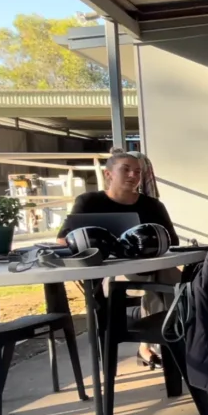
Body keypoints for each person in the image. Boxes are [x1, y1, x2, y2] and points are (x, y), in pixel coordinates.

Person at [58, 149, 180, 368]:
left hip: (148, 269)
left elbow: (172, 241)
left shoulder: (152, 206)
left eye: (137, 172)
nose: (133, 175)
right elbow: (63, 240)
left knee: (165, 276)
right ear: (108, 175)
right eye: (126, 170)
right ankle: (178, 336)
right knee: (171, 282)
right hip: (108, 274)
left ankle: (166, 340)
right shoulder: (88, 202)